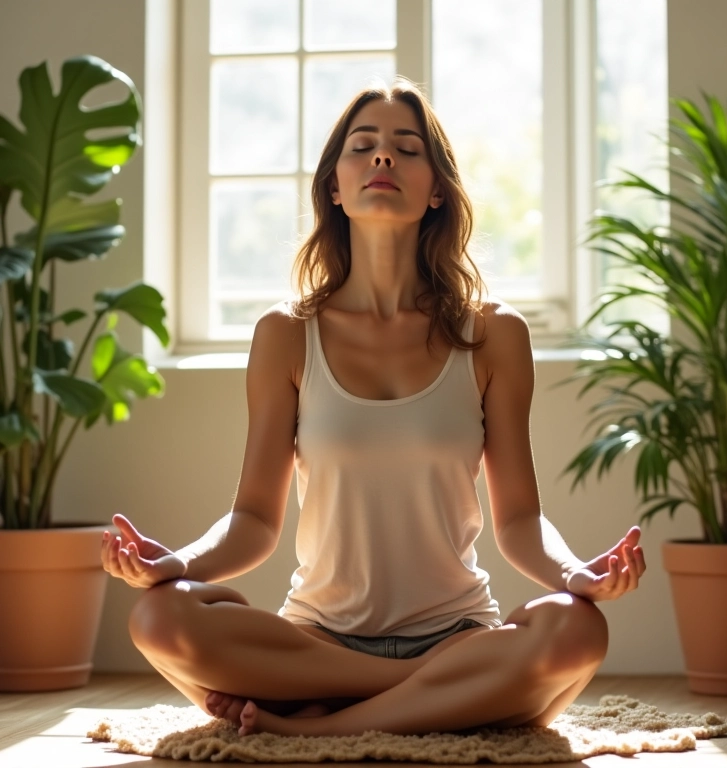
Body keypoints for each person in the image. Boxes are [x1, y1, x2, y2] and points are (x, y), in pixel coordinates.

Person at [102, 77, 646, 739]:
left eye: (406, 148)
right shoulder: (285, 334)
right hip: (319, 642)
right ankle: (433, 700)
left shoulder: (493, 336)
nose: (383, 158)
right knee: (158, 617)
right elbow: (252, 520)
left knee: (576, 628)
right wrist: (177, 564)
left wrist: (575, 573)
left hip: (456, 634)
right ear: (335, 185)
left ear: (437, 188)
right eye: (364, 146)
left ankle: (317, 724)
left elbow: (521, 518)